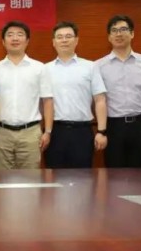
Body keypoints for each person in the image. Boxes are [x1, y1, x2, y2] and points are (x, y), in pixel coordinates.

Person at [0, 21, 53, 169]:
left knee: (30, 179)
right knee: (2, 179)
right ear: (3, 41)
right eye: (10, 35)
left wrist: (47, 131)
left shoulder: (39, 68)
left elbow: (47, 101)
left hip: (30, 134)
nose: (15, 38)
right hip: (1, 133)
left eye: (20, 34)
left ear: (27, 41)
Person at [97, 15, 141, 168]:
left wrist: (139, 113)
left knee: (139, 171)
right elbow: (98, 100)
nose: (119, 34)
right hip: (113, 126)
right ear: (109, 37)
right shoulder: (98, 66)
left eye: (123, 29)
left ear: (132, 33)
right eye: (114, 30)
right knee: (114, 172)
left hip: (139, 125)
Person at [45, 21, 108, 168]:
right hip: (55, 131)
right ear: (54, 42)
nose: (64, 40)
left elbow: (100, 100)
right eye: (60, 37)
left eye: (68, 36)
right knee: (54, 176)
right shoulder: (45, 69)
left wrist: (101, 131)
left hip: (82, 131)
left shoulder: (90, 67)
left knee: (83, 177)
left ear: (76, 40)